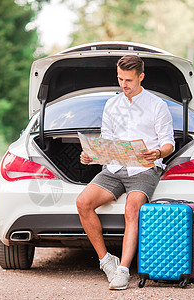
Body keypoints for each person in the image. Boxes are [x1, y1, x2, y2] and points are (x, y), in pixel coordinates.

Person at [76, 54, 175, 290]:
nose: (124, 84)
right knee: (83, 203)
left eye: (129, 80)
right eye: (120, 79)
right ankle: (106, 261)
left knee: (133, 209)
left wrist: (158, 153)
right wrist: (92, 155)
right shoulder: (112, 105)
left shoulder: (157, 106)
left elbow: (169, 143)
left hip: (144, 169)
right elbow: (106, 141)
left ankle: (123, 271)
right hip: (114, 167)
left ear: (141, 76)